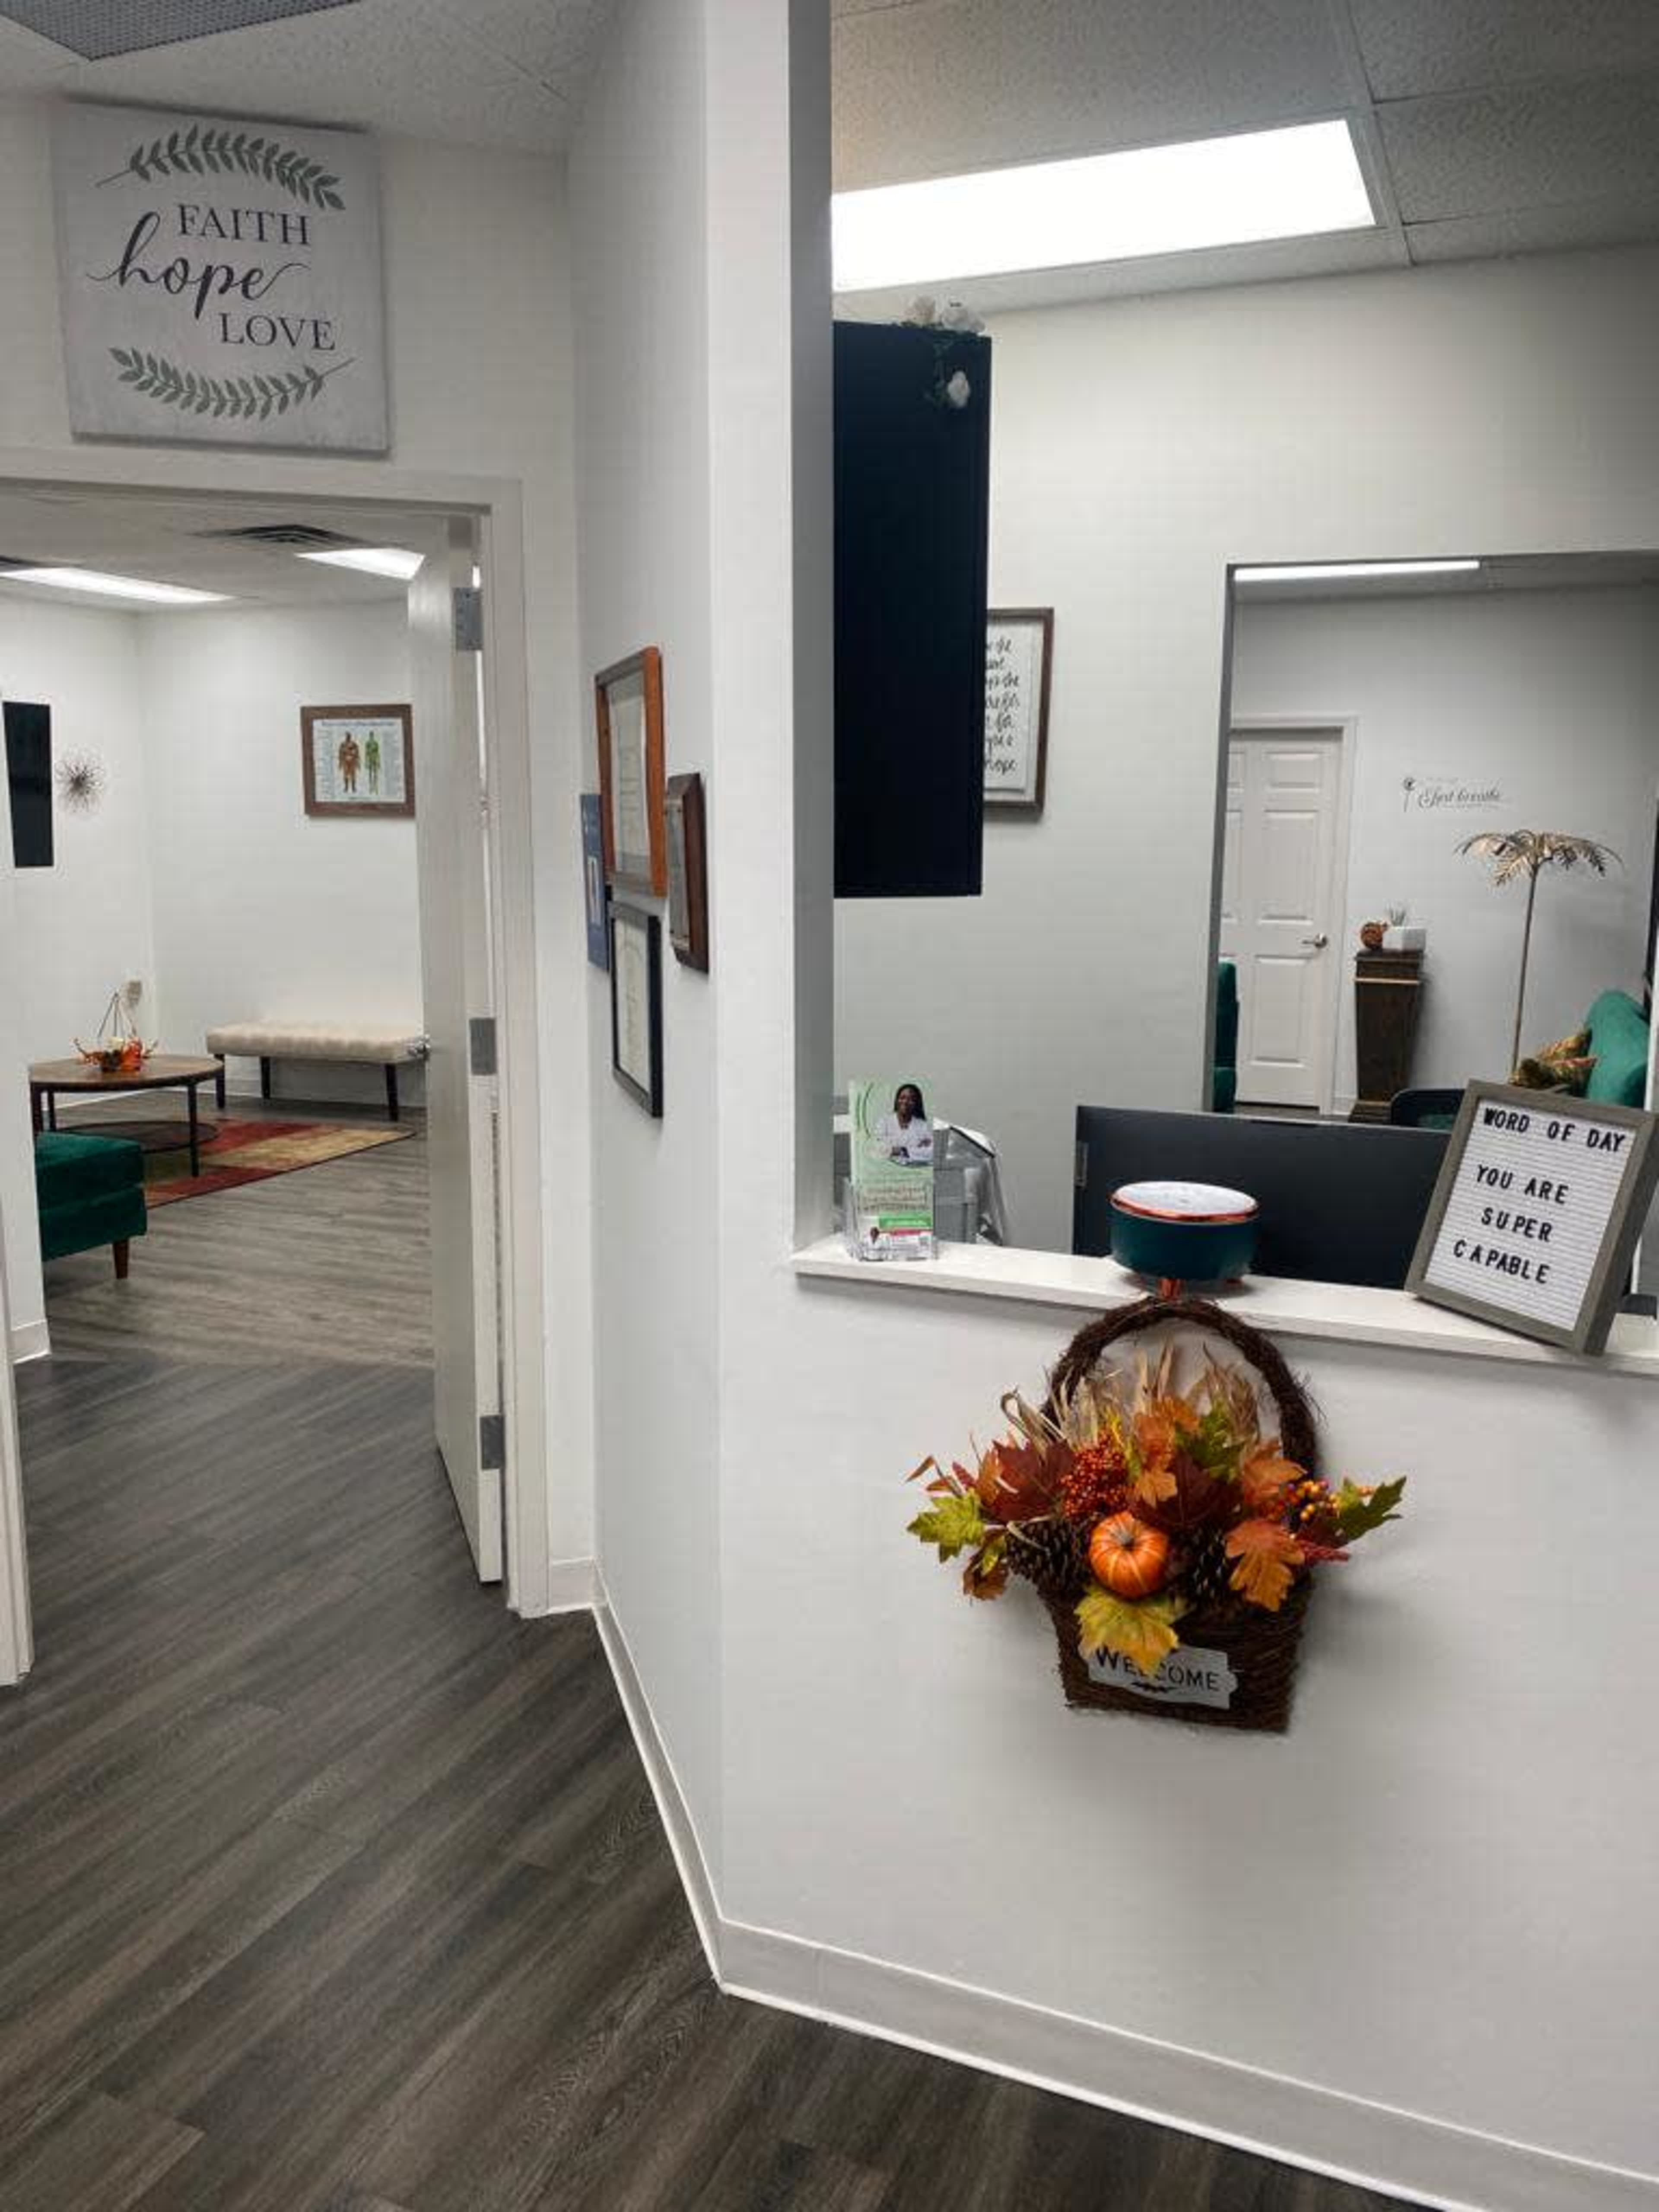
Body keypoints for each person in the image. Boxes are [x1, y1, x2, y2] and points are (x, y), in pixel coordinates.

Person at [875, 1082, 933, 1165]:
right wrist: (916, 1148)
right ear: (897, 1100)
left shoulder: (923, 1126)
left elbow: (932, 1153)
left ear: (916, 1104)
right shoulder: (884, 1122)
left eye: (911, 1100)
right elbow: (878, 1149)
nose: (905, 1102)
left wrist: (902, 1150)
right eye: (902, 1098)